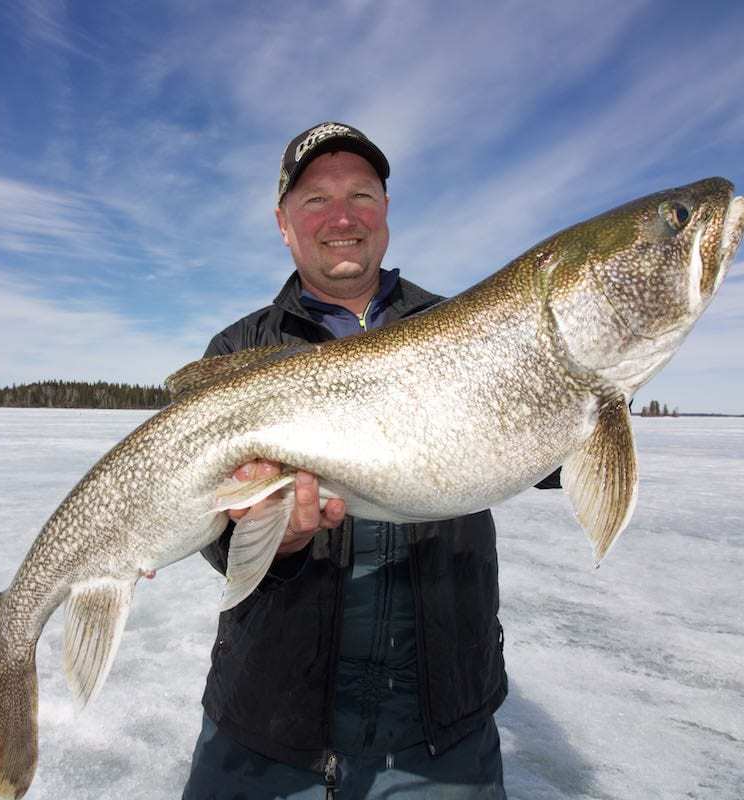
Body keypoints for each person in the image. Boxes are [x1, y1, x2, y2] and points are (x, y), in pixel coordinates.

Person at [181, 122, 559, 799]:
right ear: (284, 223)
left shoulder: (466, 326)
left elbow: (546, 452)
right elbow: (209, 525)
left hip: (438, 741)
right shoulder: (239, 349)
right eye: (316, 201)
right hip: (264, 727)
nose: (342, 217)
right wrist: (273, 536)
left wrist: (590, 387)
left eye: (361, 194)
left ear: (385, 210)